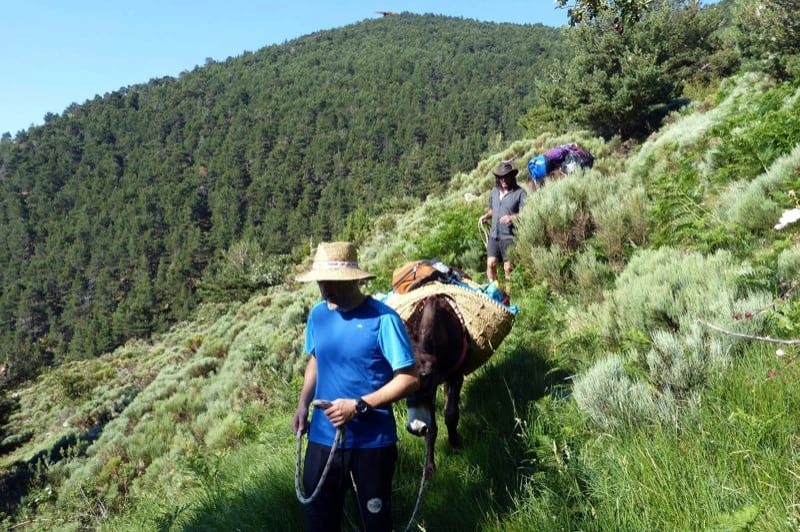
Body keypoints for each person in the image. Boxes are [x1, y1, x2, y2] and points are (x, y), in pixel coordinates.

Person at [292, 241, 420, 532]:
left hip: (372, 444)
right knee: (319, 523)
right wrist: (302, 406)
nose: (325, 289)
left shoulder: (383, 319)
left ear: (354, 280)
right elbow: (315, 360)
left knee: (376, 524)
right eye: (321, 282)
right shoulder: (317, 315)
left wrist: (359, 405)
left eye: (332, 282)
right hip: (322, 438)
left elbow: (411, 378)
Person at [478, 162, 527, 298]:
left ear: (512, 177)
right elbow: (493, 209)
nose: (504, 179)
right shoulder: (494, 192)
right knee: (491, 264)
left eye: (506, 176)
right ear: (498, 178)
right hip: (494, 235)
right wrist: (486, 216)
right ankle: (493, 292)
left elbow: (526, 212)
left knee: (508, 268)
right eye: (501, 177)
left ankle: (509, 295)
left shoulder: (520, 192)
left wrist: (512, 217)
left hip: (509, 236)